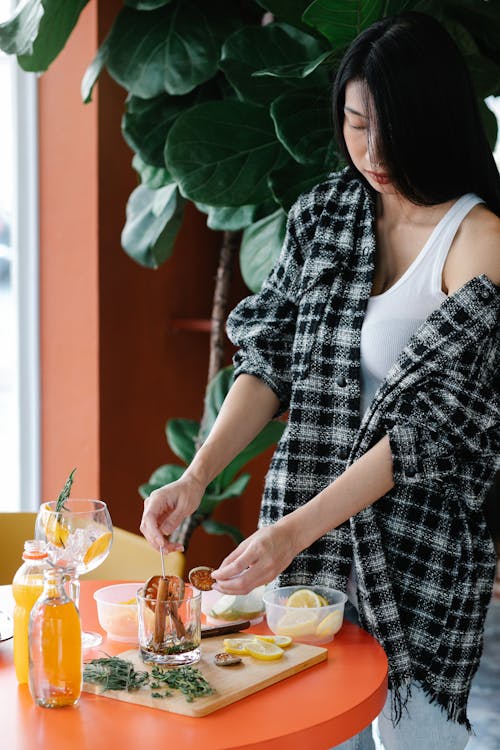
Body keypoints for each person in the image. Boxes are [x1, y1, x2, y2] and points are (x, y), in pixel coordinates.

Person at [140, 11, 500, 749]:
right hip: (310, 559)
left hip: (419, 564)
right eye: (355, 123)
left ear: (435, 122)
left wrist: (287, 533)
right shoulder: (327, 215)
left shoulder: (481, 240)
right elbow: (270, 358)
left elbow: (431, 430)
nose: (370, 151)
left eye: (390, 129)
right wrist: (198, 475)